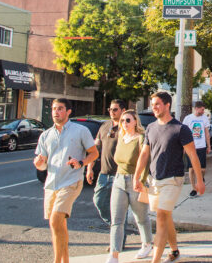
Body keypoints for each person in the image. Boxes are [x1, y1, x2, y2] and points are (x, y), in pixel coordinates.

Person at [133, 92, 205, 263]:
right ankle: (174, 250)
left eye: (157, 104)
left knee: (160, 217)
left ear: (167, 105)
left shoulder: (180, 129)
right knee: (165, 216)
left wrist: (199, 181)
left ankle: (155, 260)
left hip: (173, 180)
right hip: (154, 180)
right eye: (152, 104)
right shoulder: (150, 128)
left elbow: (193, 156)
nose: (154, 107)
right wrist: (137, 177)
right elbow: (144, 154)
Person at [33, 98, 99, 263]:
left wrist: (81, 163)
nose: (56, 112)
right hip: (51, 184)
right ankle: (65, 260)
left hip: (71, 181)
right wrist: (39, 164)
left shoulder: (80, 131)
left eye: (60, 108)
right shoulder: (45, 135)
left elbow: (94, 153)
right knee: (57, 225)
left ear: (68, 111)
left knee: (56, 219)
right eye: (54, 109)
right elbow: (42, 164)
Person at [106, 110, 152, 263]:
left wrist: (141, 180)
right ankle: (114, 254)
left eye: (127, 120)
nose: (124, 123)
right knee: (117, 220)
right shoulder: (121, 137)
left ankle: (146, 244)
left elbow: (145, 161)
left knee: (141, 216)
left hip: (135, 179)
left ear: (135, 121)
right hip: (118, 179)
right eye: (123, 121)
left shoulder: (140, 138)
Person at [87, 100, 127, 228]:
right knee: (98, 201)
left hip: (120, 175)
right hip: (104, 174)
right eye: (110, 109)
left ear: (123, 111)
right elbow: (95, 149)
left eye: (115, 109)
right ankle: (115, 226)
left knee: (120, 209)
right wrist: (90, 168)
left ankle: (119, 238)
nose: (111, 112)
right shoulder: (104, 126)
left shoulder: (126, 127)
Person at [182, 100, 211, 198]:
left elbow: (207, 133)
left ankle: (201, 179)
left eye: (204, 109)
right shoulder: (188, 118)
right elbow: (184, 134)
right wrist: (184, 147)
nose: (203, 111)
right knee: (191, 169)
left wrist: (209, 145)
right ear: (196, 108)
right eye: (202, 109)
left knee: (202, 169)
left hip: (201, 146)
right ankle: (193, 188)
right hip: (191, 147)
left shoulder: (204, 119)